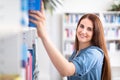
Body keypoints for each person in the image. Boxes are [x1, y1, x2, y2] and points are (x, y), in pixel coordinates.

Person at [29, 2, 111, 80]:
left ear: (95, 33)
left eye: (89, 29)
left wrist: (44, 36)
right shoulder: (77, 52)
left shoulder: (94, 53)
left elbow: (66, 70)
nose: (83, 31)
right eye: (81, 26)